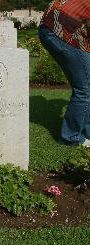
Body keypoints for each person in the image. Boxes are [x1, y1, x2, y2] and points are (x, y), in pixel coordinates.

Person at [38, 0, 90, 146]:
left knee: (86, 86)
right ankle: (70, 138)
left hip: (49, 28)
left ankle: (86, 131)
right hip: (64, 31)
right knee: (84, 90)